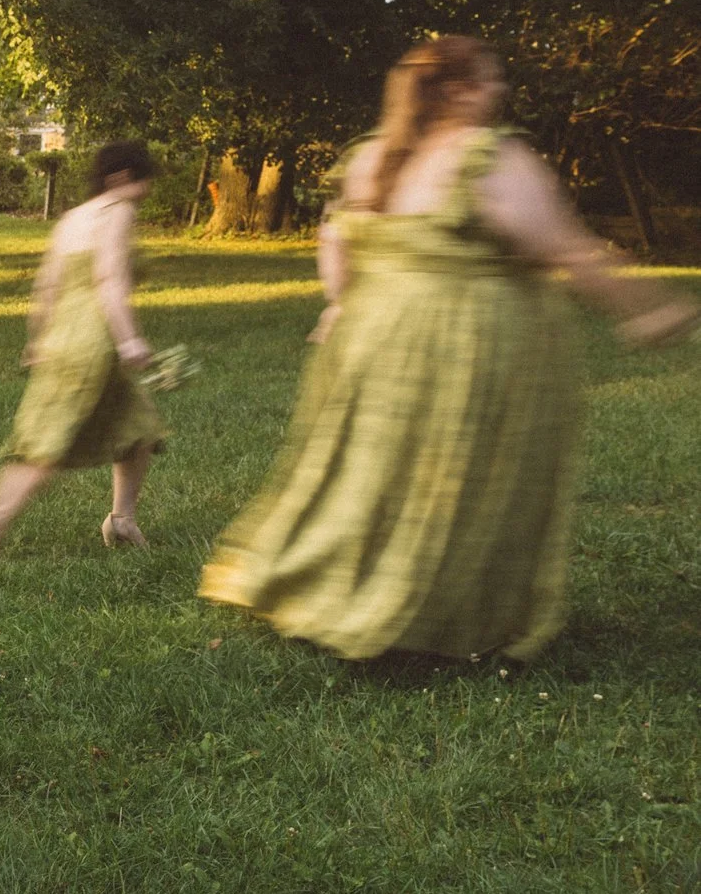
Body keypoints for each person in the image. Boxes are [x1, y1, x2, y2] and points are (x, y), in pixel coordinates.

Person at [201, 36, 699, 660]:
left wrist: (342, 303)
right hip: (468, 344)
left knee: (370, 472)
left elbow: (335, 238)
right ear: (458, 91)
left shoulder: (369, 157)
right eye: (490, 80)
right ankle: (428, 616)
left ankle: (332, 589)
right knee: (458, 474)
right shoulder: (490, 158)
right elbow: (567, 249)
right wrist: (646, 310)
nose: (501, 90)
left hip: (374, 340)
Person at [0, 140, 167, 559]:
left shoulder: (71, 218)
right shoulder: (118, 212)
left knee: (137, 430)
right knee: (49, 444)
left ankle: (121, 519)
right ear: (122, 178)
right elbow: (110, 280)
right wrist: (129, 339)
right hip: (95, 342)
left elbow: (47, 284)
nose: (147, 191)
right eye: (144, 180)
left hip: (61, 341)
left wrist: (37, 339)